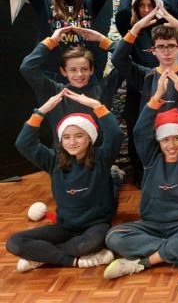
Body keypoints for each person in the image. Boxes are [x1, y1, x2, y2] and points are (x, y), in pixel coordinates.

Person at [103, 71, 178, 279]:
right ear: (158, 141)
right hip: (150, 226)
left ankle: (145, 262)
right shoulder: (150, 160)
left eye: (177, 139)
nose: (171, 145)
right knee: (113, 236)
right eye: (165, 140)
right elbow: (140, 132)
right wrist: (156, 97)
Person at [7, 89, 122, 272]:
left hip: (95, 226)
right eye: (66, 137)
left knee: (88, 245)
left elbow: (115, 134)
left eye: (79, 136)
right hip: (65, 227)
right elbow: (24, 143)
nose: (72, 142)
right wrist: (42, 111)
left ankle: (42, 256)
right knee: (15, 242)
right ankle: (71, 261)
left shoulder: (102, 157)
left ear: (89, 138)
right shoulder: (53, 160)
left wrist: (96, 106)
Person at [114, 0, 166, 187]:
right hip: (137, 88)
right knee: (137, 130)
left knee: (163, 129)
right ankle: (140, 173)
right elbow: (122, 12)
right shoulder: (130, 28)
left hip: (161, 88)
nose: (146, 10)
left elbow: (172, 8)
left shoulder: (161, 27)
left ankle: (161, 170)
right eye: (141, 5)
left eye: (149, 5)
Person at [20, 27, 122, 133]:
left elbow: (125, 61)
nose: (79, 74)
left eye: (84, 69)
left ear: (91, 70)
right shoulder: (54, 92)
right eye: (73, 70)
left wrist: (103, 40)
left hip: (99, 144)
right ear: (64, 71)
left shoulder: (104, 88)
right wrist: (51, 42)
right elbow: (27, 67)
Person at [111, 6, 178, 113]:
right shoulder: (145, 77)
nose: (166, 52)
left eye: (171, 46)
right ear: (153, 50)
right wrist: (136, 27)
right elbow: (118, 58)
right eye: (160, 46)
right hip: (152, 123)